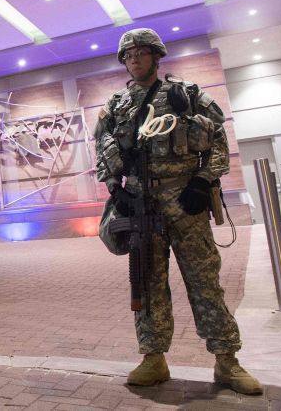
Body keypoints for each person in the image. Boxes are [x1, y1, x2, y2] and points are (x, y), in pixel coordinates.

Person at [95, 28, 262, 395]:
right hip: (141, 206)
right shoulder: (117, 104)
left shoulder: (186, 94)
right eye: (128, 55)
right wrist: (114, 189)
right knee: (148, 282)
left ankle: (227, 361)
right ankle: (153, 358)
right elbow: (102, 147)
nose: (134, 59)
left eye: (141, 52)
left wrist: (203, 181)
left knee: (204, 283)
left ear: (157, 56)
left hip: (185, 202)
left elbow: (218, 138)